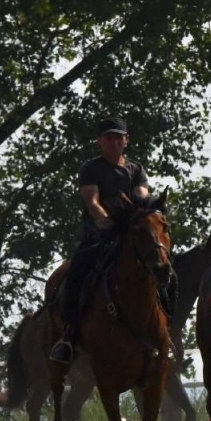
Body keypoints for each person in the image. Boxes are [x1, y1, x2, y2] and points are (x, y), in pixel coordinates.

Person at [51, 117, 151, 366]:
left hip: (129, 233)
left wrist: (139, 207)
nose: (114, 141)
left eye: (119, 137)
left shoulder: (136, 169)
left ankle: (164, 329)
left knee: (160, 268)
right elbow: (92, 201)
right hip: (99, 234)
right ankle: (69, 335)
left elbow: (142, 197)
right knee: (76, 276)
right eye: (109, 137)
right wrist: (108, 222)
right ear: (100, 141)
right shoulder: (90, 168)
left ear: (126, 140)